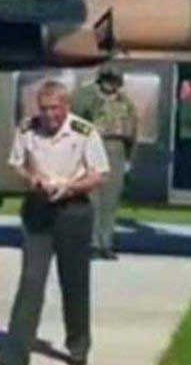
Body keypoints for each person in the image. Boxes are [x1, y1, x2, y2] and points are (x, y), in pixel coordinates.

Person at [0, 80, 109, 365]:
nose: (49, 115)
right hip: (38, 209)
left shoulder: (84, 132)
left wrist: (71, 187)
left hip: (73, 210)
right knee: (31, 280)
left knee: (74, 281)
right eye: (44, 109)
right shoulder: (27, 128)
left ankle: (78, 346)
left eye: (55, 109)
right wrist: (32, 179)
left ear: (66, 107)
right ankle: (16, 353)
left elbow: (99, 175)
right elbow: (16, 164)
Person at [73, 66, 137, 260]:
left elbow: (133, 131)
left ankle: (106, 243)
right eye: (108, 79)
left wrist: (129, 159)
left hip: (117, 149)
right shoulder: (87, 97)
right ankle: (92, 243)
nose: (111, 84)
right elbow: (75, 121)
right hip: (93, 146)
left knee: (111, 200)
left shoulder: (125, 102)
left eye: (115, 80)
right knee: (93, 199)